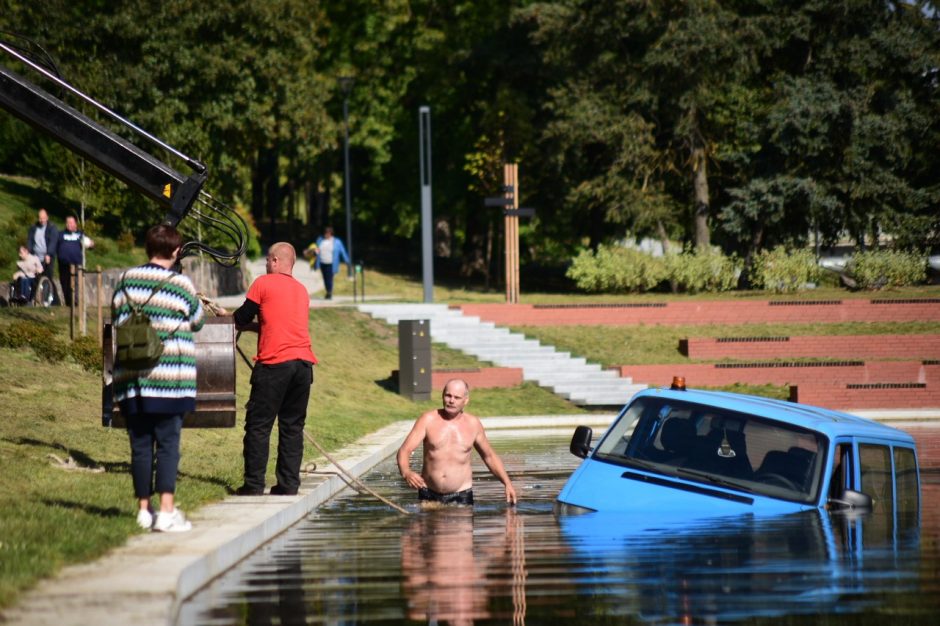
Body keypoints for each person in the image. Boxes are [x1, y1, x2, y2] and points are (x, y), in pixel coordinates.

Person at [111, 224, 205, 532]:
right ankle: (166, 511)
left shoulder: (125, 280)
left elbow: (117, 318)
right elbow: (197, 321)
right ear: (176, 251)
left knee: (139, 445)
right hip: (170, 379)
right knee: (167, 444)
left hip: (132, 378)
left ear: (148, 248)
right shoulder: (181, 284)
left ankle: (143, 510)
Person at [232, 242, 317, 496]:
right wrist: (252, 328)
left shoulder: (263, 283)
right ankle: (288, 485)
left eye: (269, 260)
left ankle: (254, 485)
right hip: (303, 366)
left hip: (274, 365)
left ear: (277, 261)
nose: (267, 265)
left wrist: (230, 319)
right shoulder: (302, 291)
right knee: (292, 427)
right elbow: (276, 323)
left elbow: (241, 317)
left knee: (259, 425)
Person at [397, 379, 518, 505]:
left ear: (465, 401)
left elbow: (489, 456)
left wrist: (507, 483)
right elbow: (405, 450)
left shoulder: (473, 424)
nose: (451, 401)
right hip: (428, 493)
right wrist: (406, 472)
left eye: (457, 397)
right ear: (443, 396)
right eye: (448, 395)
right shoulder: (428, 420)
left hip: (461, 495)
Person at [57, 215, 93, 305]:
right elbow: (54, 246)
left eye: (71, 222)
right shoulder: (61, 234)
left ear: (75, 224)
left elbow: (90, 244)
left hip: (76, 264)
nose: (69, 224)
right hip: (64, 264)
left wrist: (91, 244)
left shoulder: (80, 234)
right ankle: (69, 303)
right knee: (65, 284)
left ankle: (76, 303)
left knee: (76, 284)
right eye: (68, 223)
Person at [309, 226, 349, 300]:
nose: (326, 234)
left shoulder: (337, 242)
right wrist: (314, 252)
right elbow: (316, 249)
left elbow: (342, 251)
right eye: (325, 233)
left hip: (331, 263)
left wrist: (347, 260)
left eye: (327, 233)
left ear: (331, 233)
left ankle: (329, 293)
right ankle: (328, 292)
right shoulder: (320, 240)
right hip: (322, 262)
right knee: (325, 278)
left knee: (329, 278)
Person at [26, 208, 58, 282]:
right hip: (36, 257)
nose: (42, 220)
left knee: (47, 278)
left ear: (47, 218)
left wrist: (49, 254)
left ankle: (51, 293)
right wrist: (28, 252)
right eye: (40, 218)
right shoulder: (33, 228)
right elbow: (30, 240)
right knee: (35, 278)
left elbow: (53, 242)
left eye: (43, 218)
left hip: (47, 257)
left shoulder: (52, 228)